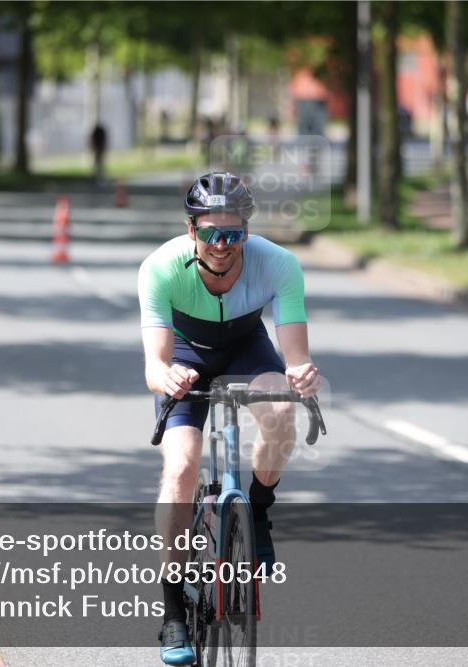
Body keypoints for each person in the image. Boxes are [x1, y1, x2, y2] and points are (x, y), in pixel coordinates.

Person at [137, 172, 322, 665]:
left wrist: (301, 373)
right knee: (181, 467)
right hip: (185, 353)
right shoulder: (160, 268)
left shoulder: (278, 263)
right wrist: (168, 377)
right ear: (191, 230)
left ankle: (257, 510)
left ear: (247, 231)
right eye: (210, 233)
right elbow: (154, 366)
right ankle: (173, 611)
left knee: (280, 409)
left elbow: (296, 356)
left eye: (233, 233)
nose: (221, 244)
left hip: (246, 345)